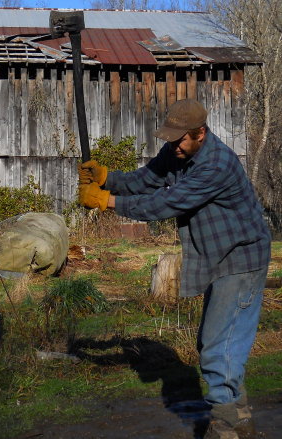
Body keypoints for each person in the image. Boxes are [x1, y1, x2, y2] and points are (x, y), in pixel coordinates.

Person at [78, 99, 271, 439]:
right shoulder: (178, 151)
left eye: (180, 139)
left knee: (217, 345)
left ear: (200, 133)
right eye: (171, 139)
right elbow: (147, 179)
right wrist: (108, 178)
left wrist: (107, 201)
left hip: (241, 259)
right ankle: (240, 420)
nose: (173, 145)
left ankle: (224, 426)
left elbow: (165, 202)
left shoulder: (216, 164)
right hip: (220, 256)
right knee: (219, 342)